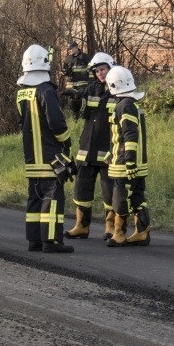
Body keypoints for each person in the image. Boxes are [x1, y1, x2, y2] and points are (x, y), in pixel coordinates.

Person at [16, 44, 75, 253]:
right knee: (52, 196)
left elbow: (21, 122)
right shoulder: (46, 90)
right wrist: (66, 141)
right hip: (50, 155)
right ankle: (52, 241)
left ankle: (35, 240)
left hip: (31, 156)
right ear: (45, 64)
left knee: (35, 197)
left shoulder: (22, 92)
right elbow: (57, 122)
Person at [65, 52, 117, 240]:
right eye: (96, 71)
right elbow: (79, 111)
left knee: (110, 192)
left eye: (102, 69)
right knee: (81, 190)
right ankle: (81, 226)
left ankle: (111, 227)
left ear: (111, 67)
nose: (99, 74)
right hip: (86, 149)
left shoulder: (119, 90)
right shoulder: (91, 89)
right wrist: (76, 99)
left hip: (108, 151)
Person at [104, 66, 150, 247]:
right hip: (134, 161)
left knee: (120, 198)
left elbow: (130, 135)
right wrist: (111, 152)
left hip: (125, 164)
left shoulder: (124, 106)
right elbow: (121, 136)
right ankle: (142, 232)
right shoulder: (131, 104)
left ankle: (119, 233)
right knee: (137, 197)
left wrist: (129, 162)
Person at [63, 41, 91, 119]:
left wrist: (90, 81)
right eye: (69, 49)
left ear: (76, 47)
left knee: (82, 100)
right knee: (72, 102)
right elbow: (64, 69)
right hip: (71, 84)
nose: (70, 50)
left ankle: (83, 116)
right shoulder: (68, 58)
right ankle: (75, 118)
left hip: (82, 84)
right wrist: (65, 72)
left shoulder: (85, 57)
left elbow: (91, 70)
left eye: (71, 48)